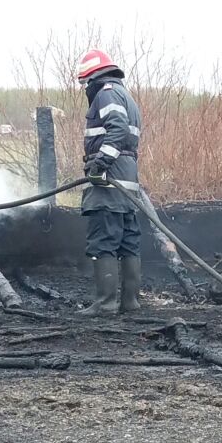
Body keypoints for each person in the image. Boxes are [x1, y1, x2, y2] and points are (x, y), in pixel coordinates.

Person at [75, 48, 143, 316]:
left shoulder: (106, 93)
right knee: (128, 242)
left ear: (92, 77)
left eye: (85, 83)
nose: (86, 89)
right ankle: (130, 302)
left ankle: (105, 304)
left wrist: (100, 163)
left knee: (103, 241)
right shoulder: (125, 95)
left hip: (109, 181)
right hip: (127, 180)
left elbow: (117, 129)